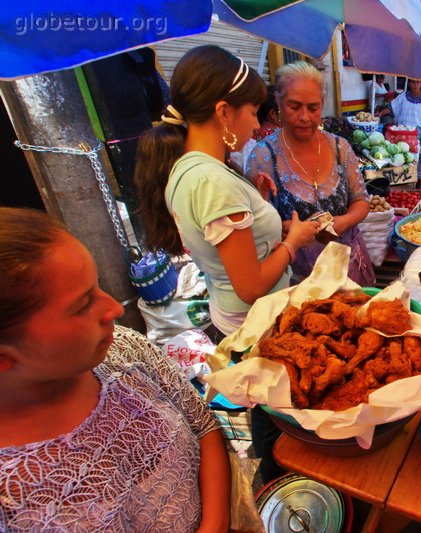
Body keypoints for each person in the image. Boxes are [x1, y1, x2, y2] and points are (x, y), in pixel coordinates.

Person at [0, 208, 230, 532]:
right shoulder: (12, 498)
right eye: (82, 305)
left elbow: (203, 426)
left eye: (96, 286)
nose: (114, 308)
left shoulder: (120, 349)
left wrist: (215, 523)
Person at [134, 45, 319, 336]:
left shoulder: (189, 168)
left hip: (236, 317)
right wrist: (293, 242)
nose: (257, 125)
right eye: (254, 113)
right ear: (223, 112)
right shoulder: (213, 182)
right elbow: (251, 287)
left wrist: (255, 204)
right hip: (255, 327)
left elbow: (228, 247)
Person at [247, 61, 376, 286]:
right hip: (299, 278)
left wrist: (343, 222)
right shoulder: (263, 157)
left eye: (313, 108)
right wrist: (288, 229)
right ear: (278, 103)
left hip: (350, 268)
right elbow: (256, 225)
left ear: (322, 105)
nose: (305, 117)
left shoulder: (340, 147)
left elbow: (361, 201)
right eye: (294, 107)